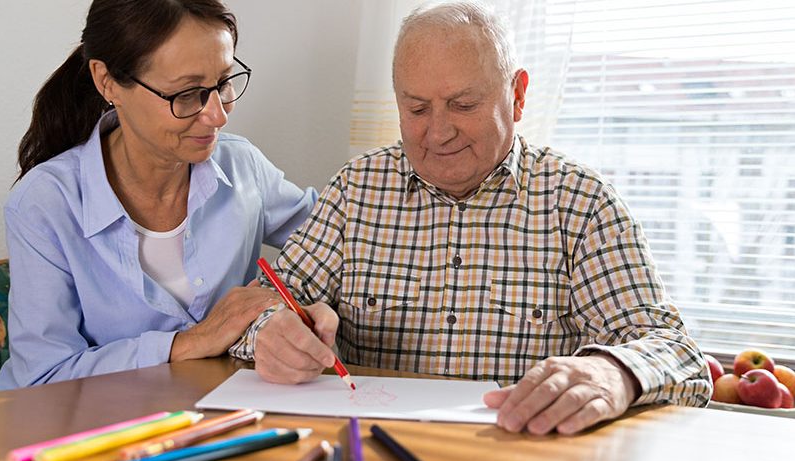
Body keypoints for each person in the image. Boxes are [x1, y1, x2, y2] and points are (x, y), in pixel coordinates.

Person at [231, 2, 711, 435]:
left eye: (463, 105)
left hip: (517, 457)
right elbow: (264, 306)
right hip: (372, 449)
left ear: (518, 95)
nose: (438, 132)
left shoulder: (580, 203)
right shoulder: (355, 190)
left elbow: (678, 354)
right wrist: (270, 331)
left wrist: (614, 373)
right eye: (416, 108)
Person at [0, 0, 317, 390]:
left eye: (223, 83)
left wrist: (316, 312)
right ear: (107, 81)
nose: (218, 115)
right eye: (187, 94)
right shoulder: (46, 203)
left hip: (210, 420)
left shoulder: (241, 166)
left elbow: (340, 241)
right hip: (80, 433)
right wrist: (190, 342)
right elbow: (44, 377)